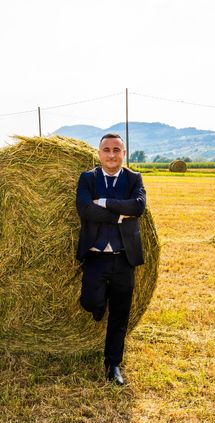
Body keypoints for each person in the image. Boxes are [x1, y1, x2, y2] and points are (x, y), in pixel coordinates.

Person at [75, 133, 146, 385]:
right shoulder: (88, 178)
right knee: (90, 301)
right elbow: (84, 208)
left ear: (124, 153)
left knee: (120, 313)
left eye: (117, 149)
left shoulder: (133, 178)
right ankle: (97, 305)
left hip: (123, 258)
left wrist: (104, 202)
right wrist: (118, 214)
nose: (112, 154)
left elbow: (137, 207)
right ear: (99, 153)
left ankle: (113, 364)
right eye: (107, 149)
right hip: (95, 257)